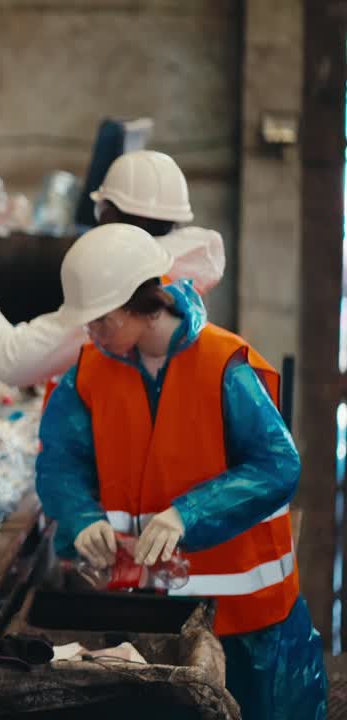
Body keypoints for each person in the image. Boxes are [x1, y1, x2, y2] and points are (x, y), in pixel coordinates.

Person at [35, 223, 327, 719]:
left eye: (102, 320)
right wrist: (82, 518)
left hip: (244, 616)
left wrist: (186, 515)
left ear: (143, 306)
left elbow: (277, 466)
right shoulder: (90, 369)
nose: (92, 334)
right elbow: (60, 460)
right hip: (148, 613)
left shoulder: (222, 364)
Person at [0, 150, 225, 388]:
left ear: (114, 215)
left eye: (103, 211)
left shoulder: (120, 282)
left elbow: (17, 362)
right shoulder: (188, 265)